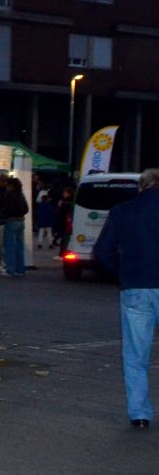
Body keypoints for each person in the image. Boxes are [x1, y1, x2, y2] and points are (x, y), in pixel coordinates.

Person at [93, 168, 159, 430]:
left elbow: (102, 251)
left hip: (136, 286)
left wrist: (121, 274)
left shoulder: (122, 211)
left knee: (135, 355)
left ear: (140, 187)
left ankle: (139, 414)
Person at [0, 177, 29, 276]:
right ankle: (20, 269)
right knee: (19, 247)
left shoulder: (9, 195)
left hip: (11, 221)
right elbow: (26, 209)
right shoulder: (21, 195)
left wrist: (4, 214)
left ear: (10, 186)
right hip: (21, 221)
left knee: (10, 246)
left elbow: (7, 209)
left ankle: (10, 270)